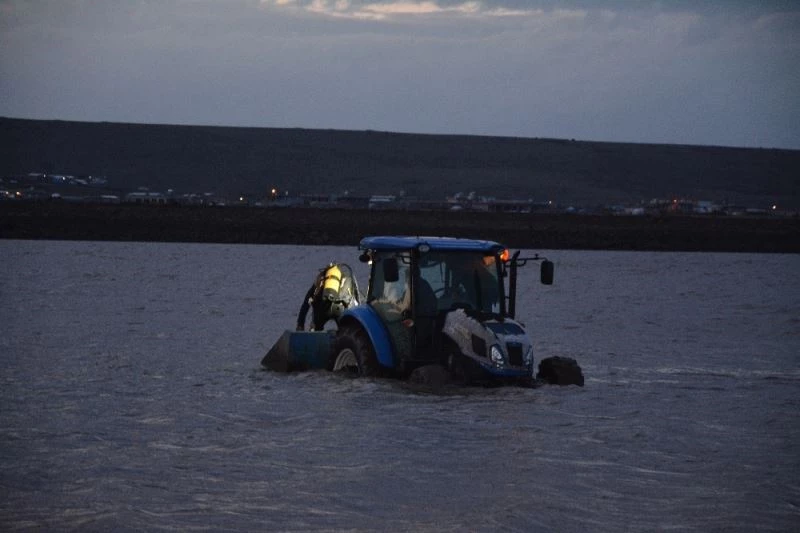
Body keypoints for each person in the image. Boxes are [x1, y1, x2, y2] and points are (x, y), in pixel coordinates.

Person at [296, 263, 359, 331]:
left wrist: (300, 324)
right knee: (344, 331)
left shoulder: (320, 280)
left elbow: (306, 303)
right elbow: (354, 300)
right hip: (339, 308)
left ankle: (316, 335)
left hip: (323, 307)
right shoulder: (346, 279)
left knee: (317, 330)